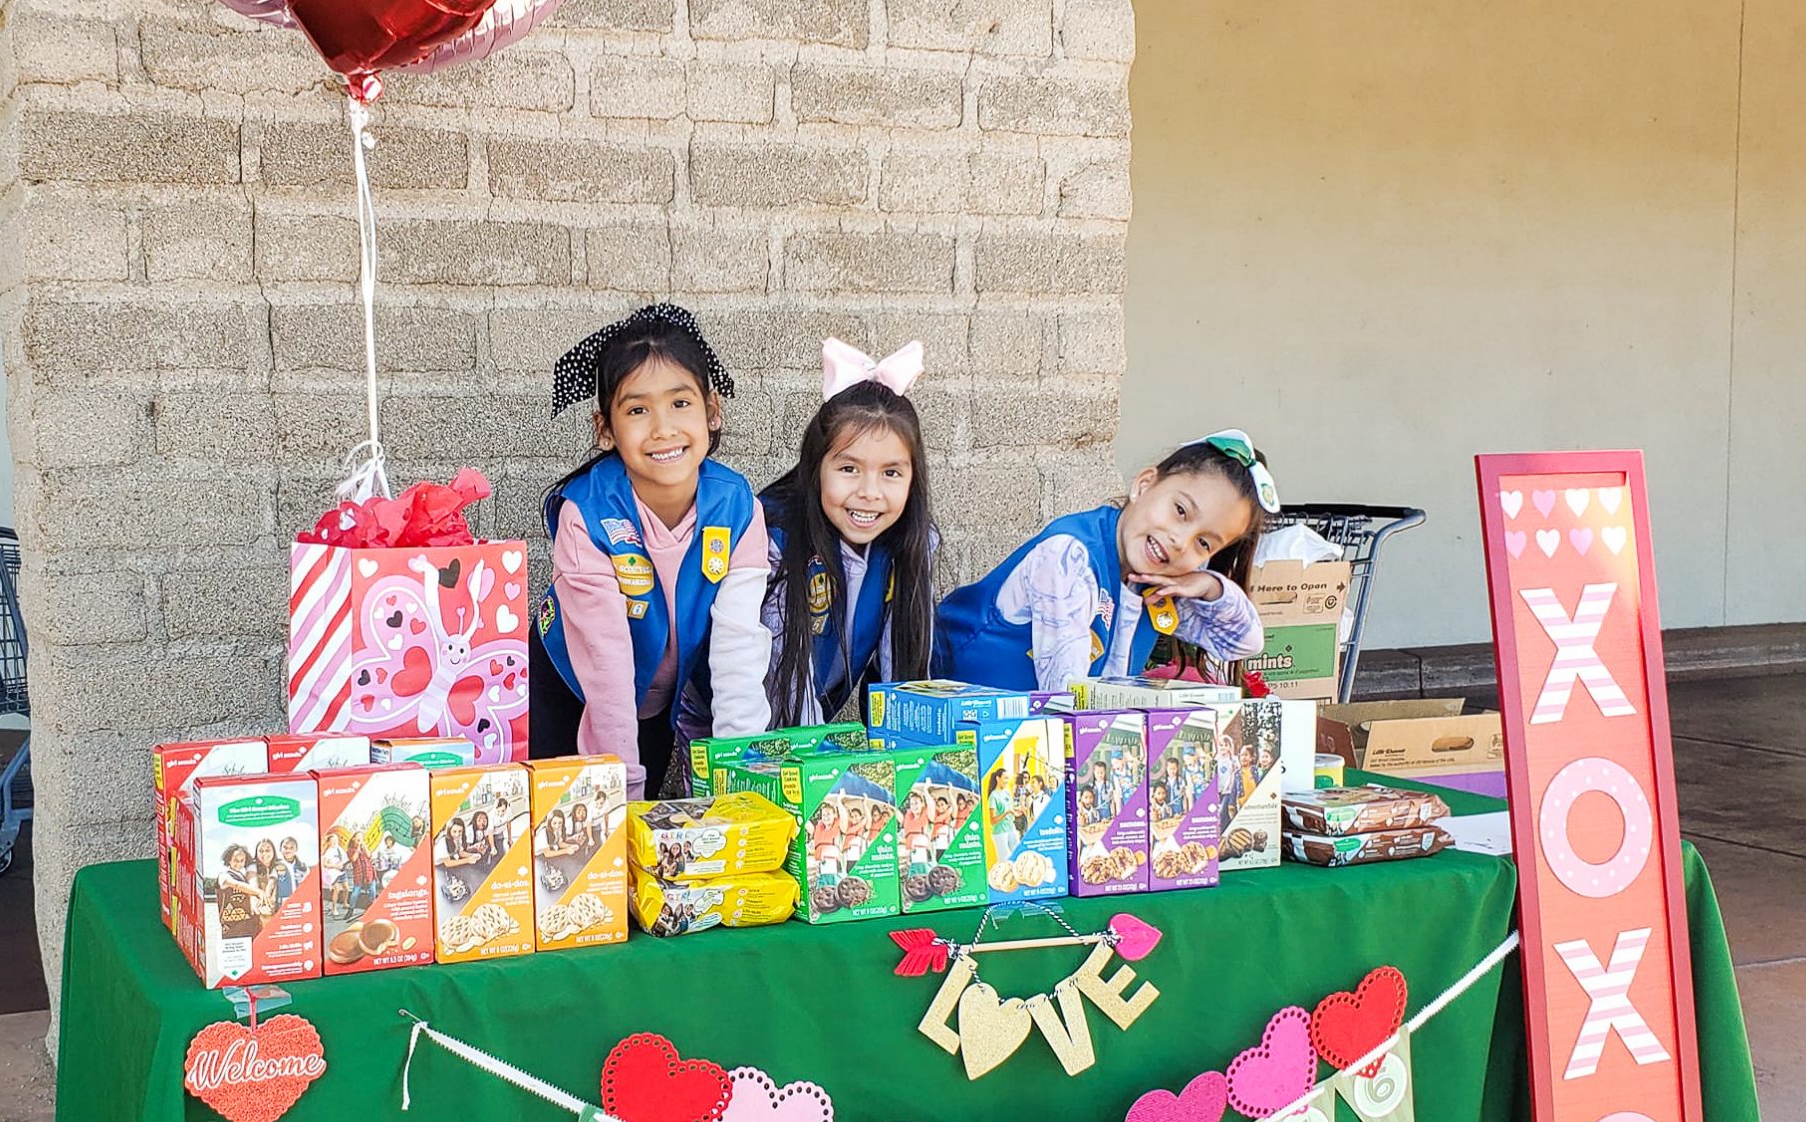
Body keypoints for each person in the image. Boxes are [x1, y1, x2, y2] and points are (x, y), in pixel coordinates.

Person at [532, 304, 770, 797]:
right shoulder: (589, 515)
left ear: (712, 411)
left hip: (654, 701)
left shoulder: (737, 508)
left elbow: (739, 654)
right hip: (567, 696)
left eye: (680, 404)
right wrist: (622, 793)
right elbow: (606, 671)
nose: (663, 428)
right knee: (580, 838)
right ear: (606, 429)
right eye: (638, 409)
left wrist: (740, 786)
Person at [933, 431, 1277, 694]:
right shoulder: (1070, 556)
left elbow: (1243, 643)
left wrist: (1209, 587)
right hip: (952, 722)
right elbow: (1066, 693)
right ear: (1144, 485)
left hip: (1033, 739)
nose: (1179, 540)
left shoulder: (1162, 582)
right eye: (1180, 511)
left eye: (1203, 543)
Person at [755, 341, 936, 726]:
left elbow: (900, 669)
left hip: (814, 726)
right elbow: (782, 681)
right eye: (849, 469)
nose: (870, 492)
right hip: (740, 734)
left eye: (891, 473)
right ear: (815, 466)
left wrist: (905, 757)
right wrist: (816, 762)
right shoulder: (775, 539)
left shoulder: (909, 543)